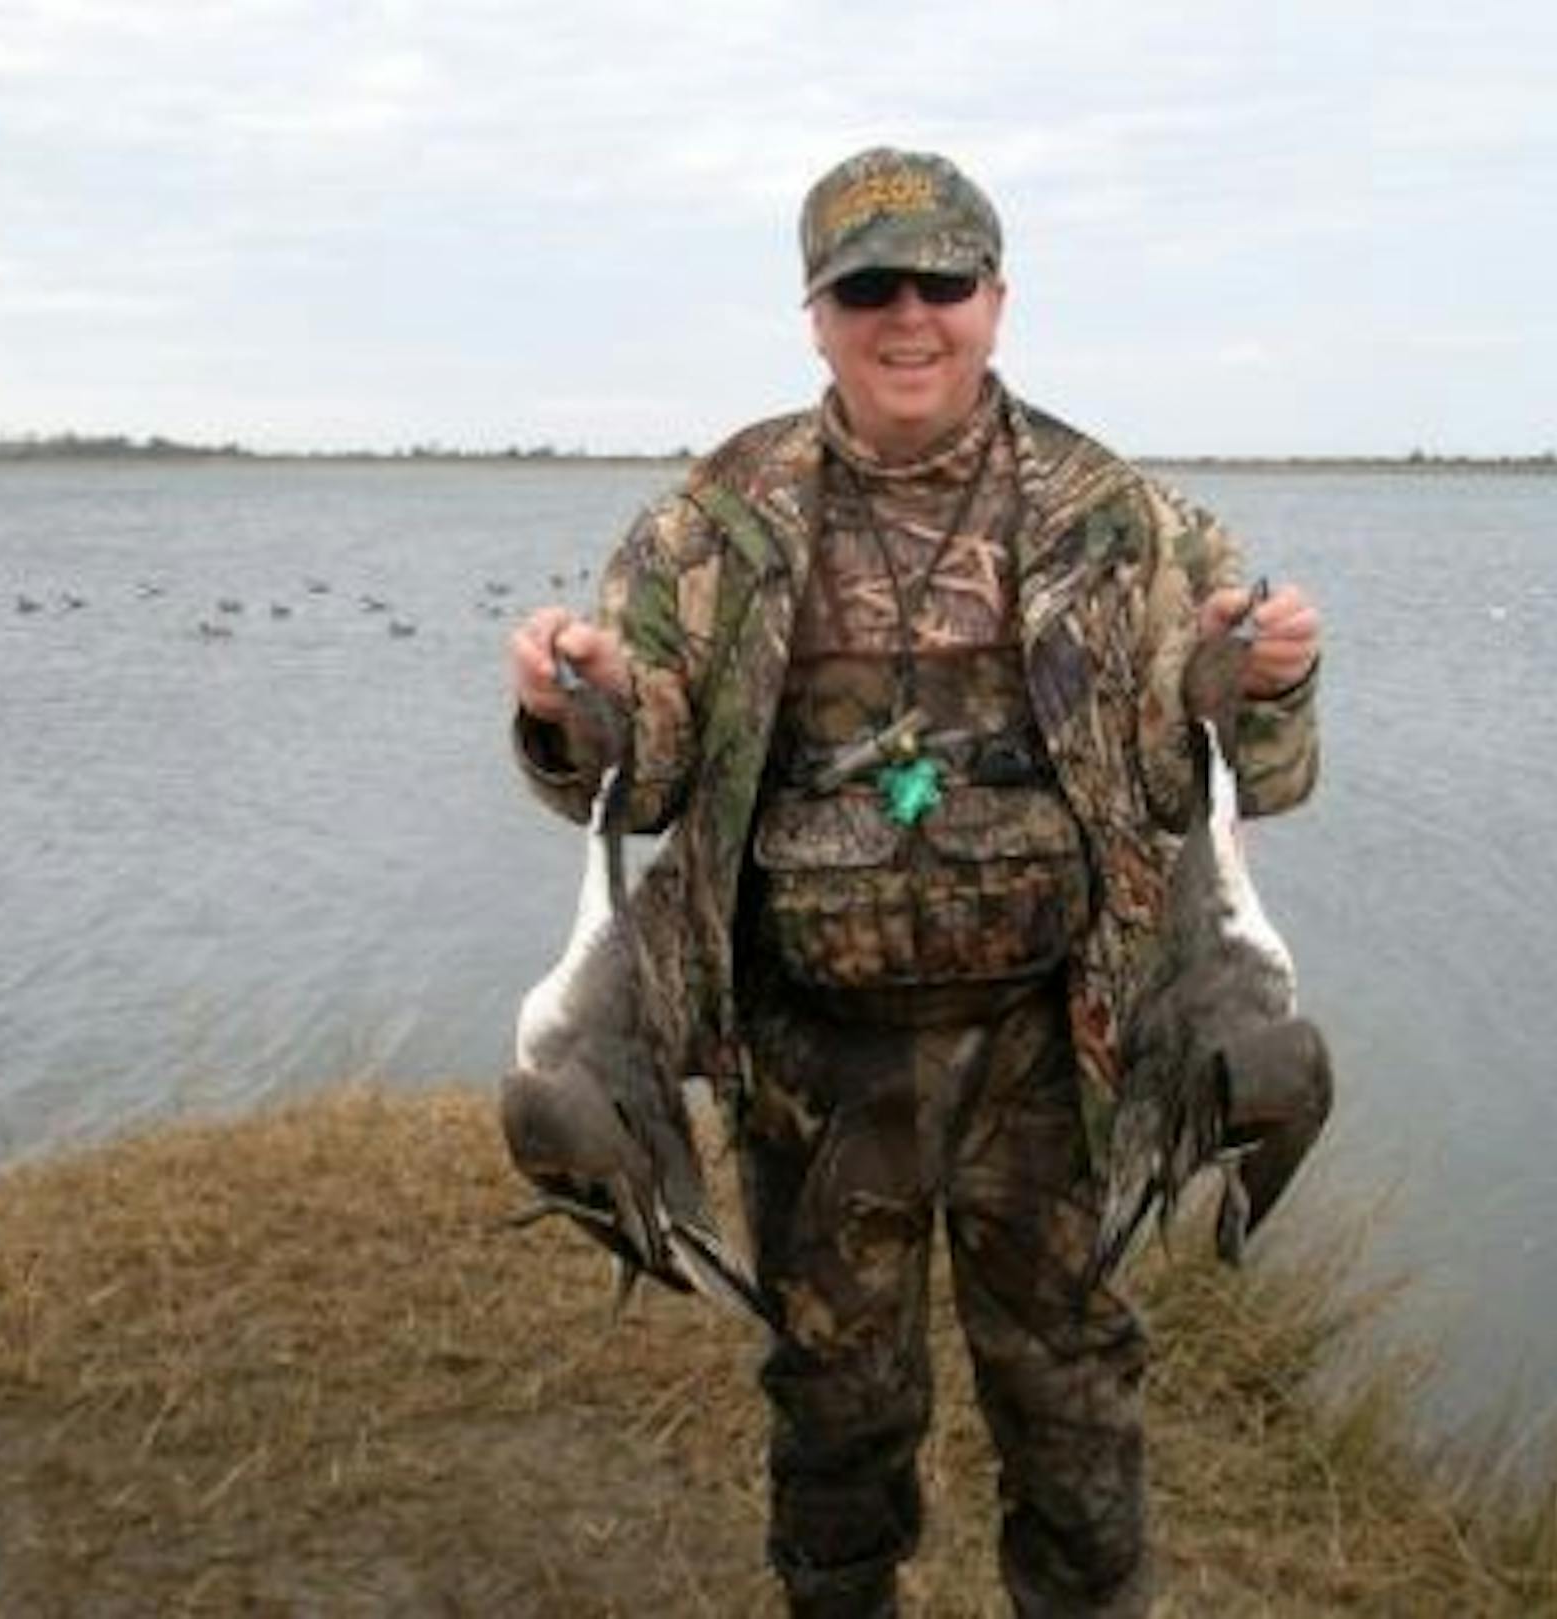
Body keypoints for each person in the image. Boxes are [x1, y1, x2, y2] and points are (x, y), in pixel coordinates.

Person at [506, 146, 1322, 1619]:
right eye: (866, 285)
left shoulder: (1121, 519)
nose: (908, 315)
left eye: (940, 282)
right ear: (815, 314)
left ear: (995, 300)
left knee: (1071, 1396)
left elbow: (1213, 780)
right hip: (812, 1061)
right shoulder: (715, 519)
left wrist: (1261, 680)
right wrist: (585, 707)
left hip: (1055, 1052)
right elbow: (642, 777)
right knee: (835, 1402)